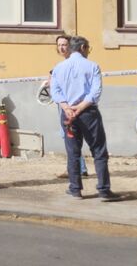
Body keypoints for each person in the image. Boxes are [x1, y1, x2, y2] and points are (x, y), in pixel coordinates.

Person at [50, 36, 120, 201]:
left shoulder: (58, 67)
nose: (88, 51)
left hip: (68, 114)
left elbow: (55, 91)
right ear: (82, 47)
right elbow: (95, 91)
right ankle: (104, 190)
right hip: (88, 113)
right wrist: (80, 107)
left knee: (73, 152)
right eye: (88, 48)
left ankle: (75, 189)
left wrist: (67, 108)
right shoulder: (92, 66)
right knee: (99, 151)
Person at [46, 35, 88, 177]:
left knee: (70, 136)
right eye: (59, 45)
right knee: (69, 136)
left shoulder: (74, 63)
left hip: (73, 105)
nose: (61, 48)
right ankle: (79, 167)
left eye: (64, 44)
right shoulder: (62, 65)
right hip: (65, 104)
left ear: (71, 46)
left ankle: (76, 169)